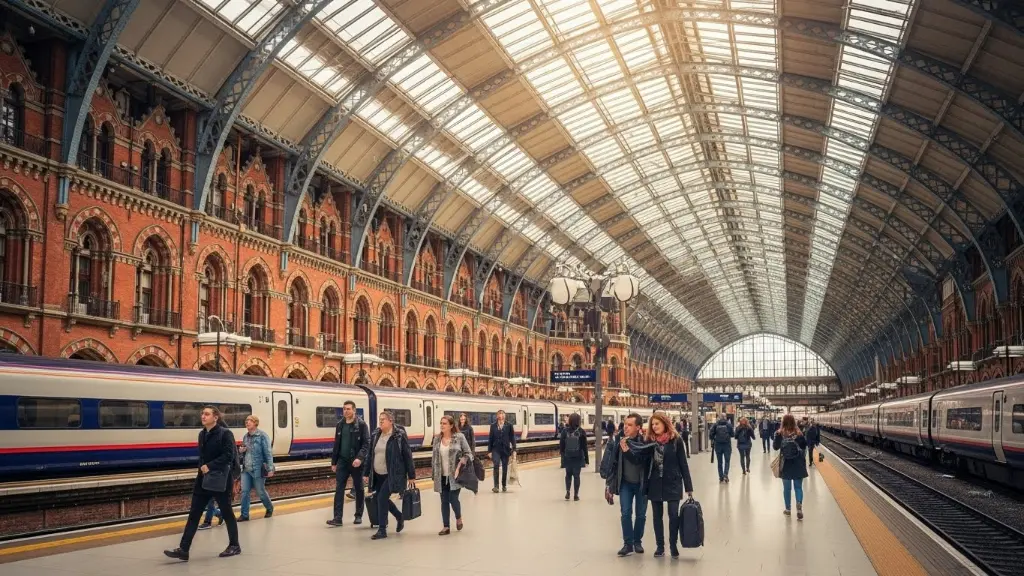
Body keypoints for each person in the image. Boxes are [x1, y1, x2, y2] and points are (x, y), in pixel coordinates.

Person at [164, 406, 240, 561]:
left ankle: (234, 545)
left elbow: (229, 456)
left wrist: (210, 466)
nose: (203, 416)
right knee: (194, 514)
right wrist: (201, 469)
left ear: (216, 417)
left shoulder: (225, 434)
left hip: (220, 480)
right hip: (203, 479)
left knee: (227, 513)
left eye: (207, 414)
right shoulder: (202, 434)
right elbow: (202, 457)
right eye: (202, 414)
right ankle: (184, 549)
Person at [627, 412, 693, 559]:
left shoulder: (676, 441)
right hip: (655, 483)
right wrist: (627, 449)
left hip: (673, 482)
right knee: (657, 517)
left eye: (657, 424)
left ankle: (673, 545)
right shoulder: (649, 441)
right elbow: (640, 459)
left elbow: (683, 464)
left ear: (665, 423)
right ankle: (660, 547)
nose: (654, 426)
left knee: (673, 515)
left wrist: (689, 486)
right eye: (653, 424)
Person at [601, 413, 650, 557]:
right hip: (625, 483)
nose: (626, 428)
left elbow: (641, 460)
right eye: (625, 424)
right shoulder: (617, 441)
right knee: (626, 513)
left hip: (641, 484)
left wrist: (627, 450)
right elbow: (611, 464)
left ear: (638, 427)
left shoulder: (644, 442)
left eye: (630, 425)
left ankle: (637, 541)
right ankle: (628, 544)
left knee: (641, 515)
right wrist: (608, 485)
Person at [365, 411, 416, 539]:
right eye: (379, 419)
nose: (380, 422)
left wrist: (411, 475)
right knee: (379, 498)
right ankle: (399, 516)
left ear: (391, 421)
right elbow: (370, 454)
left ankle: (382, 530)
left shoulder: (399, 436)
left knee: (381, 497)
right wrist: (366, 473)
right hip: (378, 474)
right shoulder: (376, 434)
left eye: (383, 419)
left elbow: (407, 455)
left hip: (393, 474)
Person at [327, 401, 370, 526]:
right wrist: (334, 462)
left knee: (359, 488)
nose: (345, 411)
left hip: (356, 462)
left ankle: (358, 515)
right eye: (344, 409)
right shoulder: (340, 425)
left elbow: (366, 444)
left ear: (354, 410)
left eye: (348, 409)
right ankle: (337, 518)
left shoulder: (361, 425)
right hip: (342, 461)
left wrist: (360, 458)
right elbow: (337, 444)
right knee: (339, 489)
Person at [432, 415, 473, 535]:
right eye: (441, 423)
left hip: (455, 476)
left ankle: (458, 517)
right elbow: (434, 457)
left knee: (453, 499)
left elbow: (468, 453)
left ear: (451, 425)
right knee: (444, 501)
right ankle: (446, 526)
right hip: (441, 475)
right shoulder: (437, 439)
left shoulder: (459, 437)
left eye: (444, 423)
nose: (442, 425)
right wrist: (434, 474)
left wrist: (461, 463)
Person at [237, 415, 274, 521]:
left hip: (258, 469)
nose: (247, 422)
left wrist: (270, 468)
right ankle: (244, 515)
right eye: (246, 421)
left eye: (250, 421)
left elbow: (268, 453)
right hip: (246, 469)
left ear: (255, 423)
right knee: (244, 492)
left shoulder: (262, 436)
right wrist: (241, 452)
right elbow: (244, 454)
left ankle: (269, 508)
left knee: (260, 492)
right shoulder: (245, 436)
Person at [773, 414, 809, 520]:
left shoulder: (780, 433)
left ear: (783, 422)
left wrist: (778, 436)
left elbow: (775, 447)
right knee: (798, 487)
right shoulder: (799, 433)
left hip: (786, 464)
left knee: (787, 488)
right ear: (794, 422)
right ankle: (799, 507)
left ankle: (788, 509)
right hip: (798, 463)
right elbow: (803, 446)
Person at [559, 413, 589, 501]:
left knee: (568, 475)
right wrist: (586, 460)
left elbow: (561, 445)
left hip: (568, 457)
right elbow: (584, 447)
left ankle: (568, 492)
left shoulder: (565, 431)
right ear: (579, 421)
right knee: (577, 476)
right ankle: (576, 495)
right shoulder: (581, 431)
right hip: (578, 457)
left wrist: (563, 456)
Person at [487, 410, 516, 493]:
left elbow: (512, 438)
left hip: (506, 449)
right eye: (499, 414)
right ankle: (496, 486)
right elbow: (490, 439)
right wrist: (489, 451)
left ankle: (503, 485)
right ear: (497, 416)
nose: (501, 415)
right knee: (496, 465)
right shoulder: (493, 426)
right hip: (495, 449)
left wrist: (514, 449)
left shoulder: (509, 425)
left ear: (505, 416)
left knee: (504, 468)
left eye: (502, 413)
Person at [708, 415, 734, 483]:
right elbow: (732, 434)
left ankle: (721, 477)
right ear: (725, 418)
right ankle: (725, 475)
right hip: (727, 445)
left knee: (720, 462)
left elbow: (711, 435)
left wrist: (714, 438)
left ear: (719, 418)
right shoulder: (728, 424)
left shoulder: (715, 424)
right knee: (727, 461)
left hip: (718, 445)